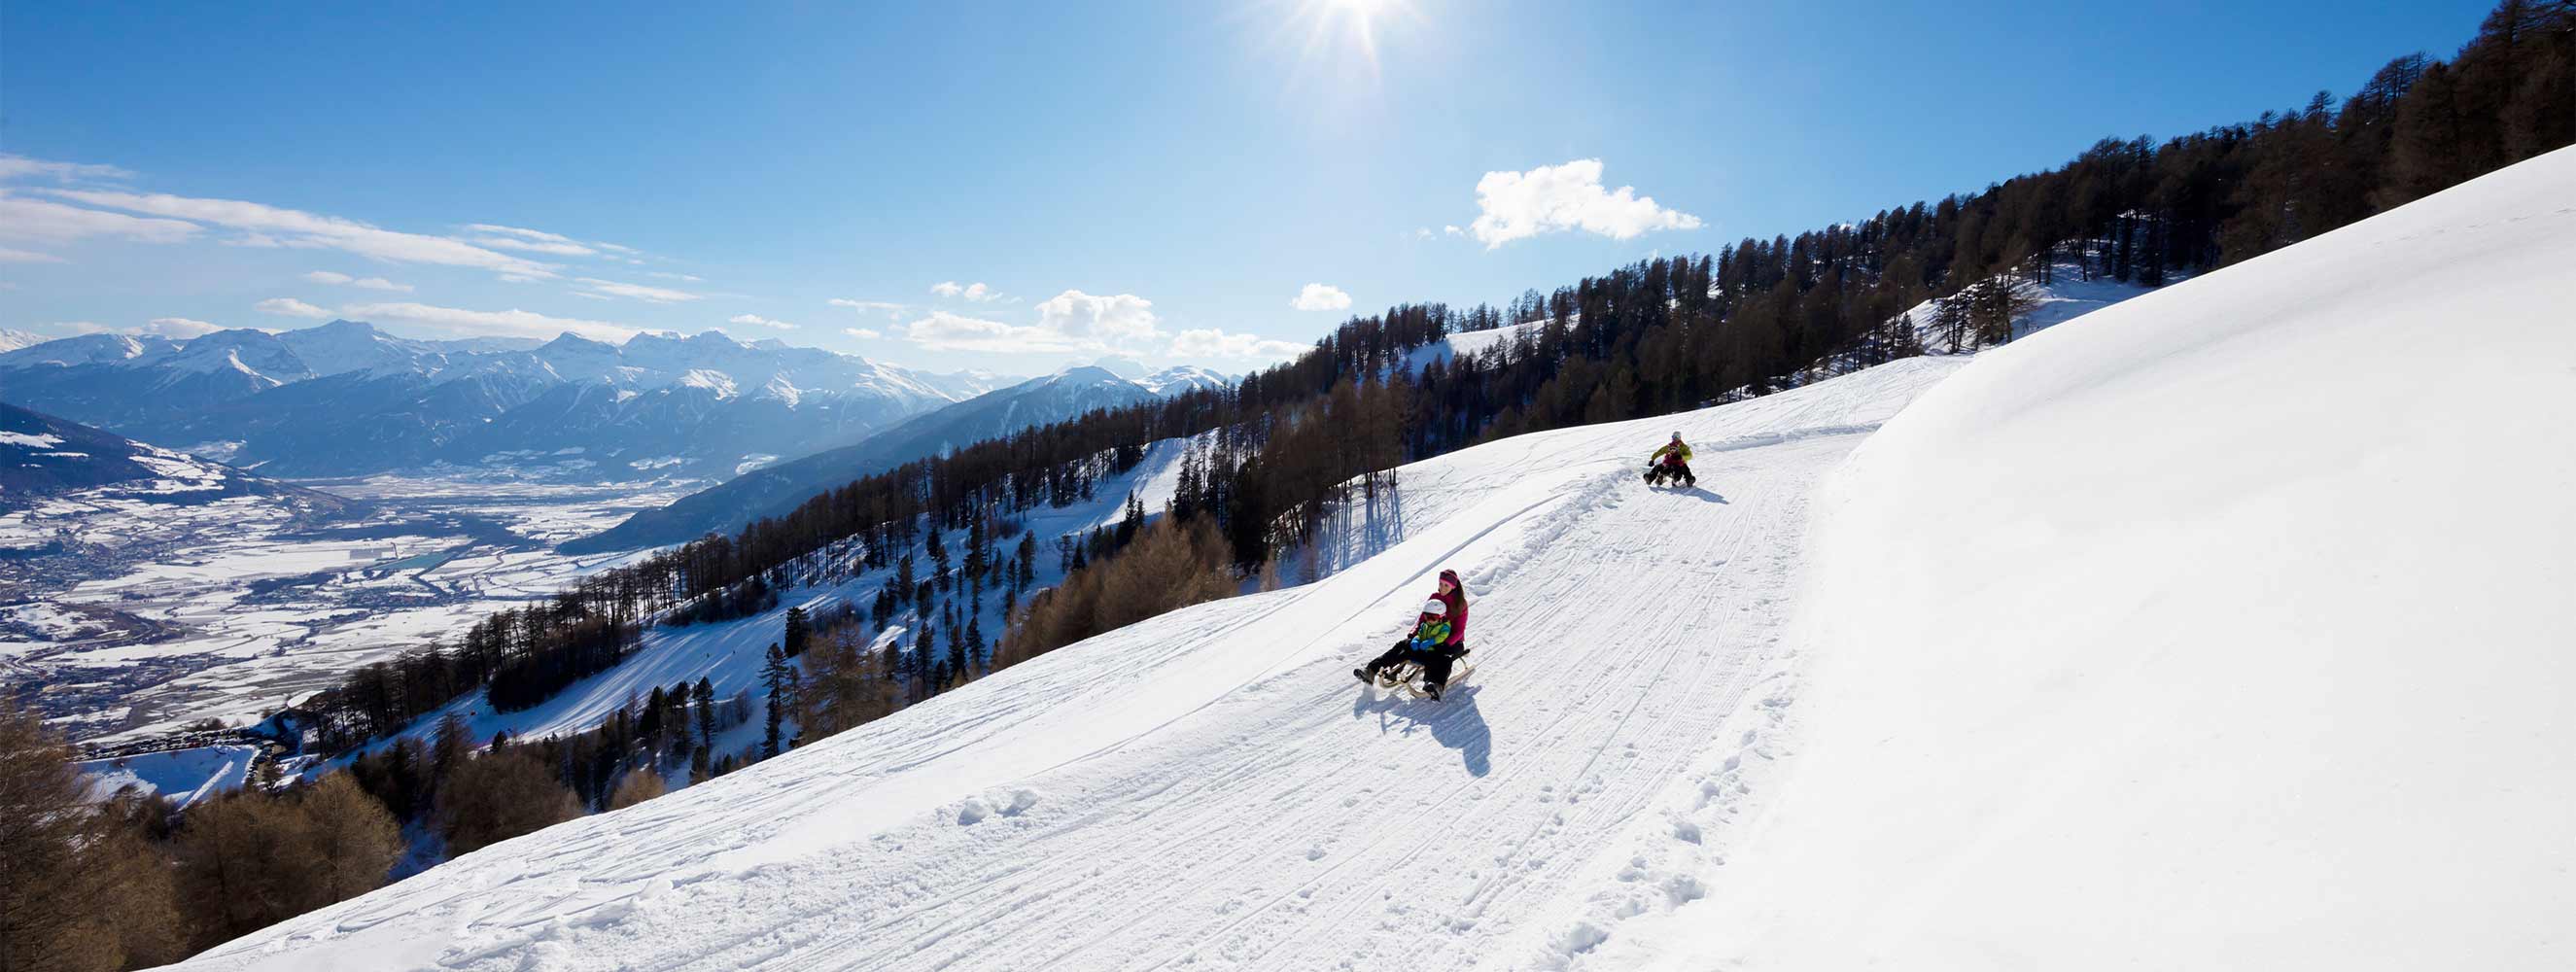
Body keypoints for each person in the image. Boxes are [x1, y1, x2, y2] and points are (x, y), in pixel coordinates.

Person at [1355, 569, 1470, 699]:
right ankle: (1371, 670)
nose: (1442, 588)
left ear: (1453, 587)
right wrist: (1413, 635)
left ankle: (1435, 684)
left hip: (1452, 642)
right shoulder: (1434, 597)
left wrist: (1445, 643)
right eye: (1440, 583)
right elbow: (1422, 619)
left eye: (1446, 585)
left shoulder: (1460, 604)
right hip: (1428, 637)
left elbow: (1459, 630)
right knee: (1403, 645)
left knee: (1442, 656)